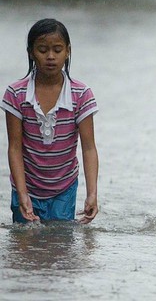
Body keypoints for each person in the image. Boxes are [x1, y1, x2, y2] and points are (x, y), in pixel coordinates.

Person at [1, 18, 99, 224]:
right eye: (43, 50)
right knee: (24, 244)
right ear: (30, 52)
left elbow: (88, 147)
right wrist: (22, 193)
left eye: (57, 49)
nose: (51, 57)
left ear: (68, 51)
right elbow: (14, 148)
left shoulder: (81, 95)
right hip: (25, 184)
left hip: (64, 187)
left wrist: (92, 193)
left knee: (59, 243)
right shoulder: (16, 94)